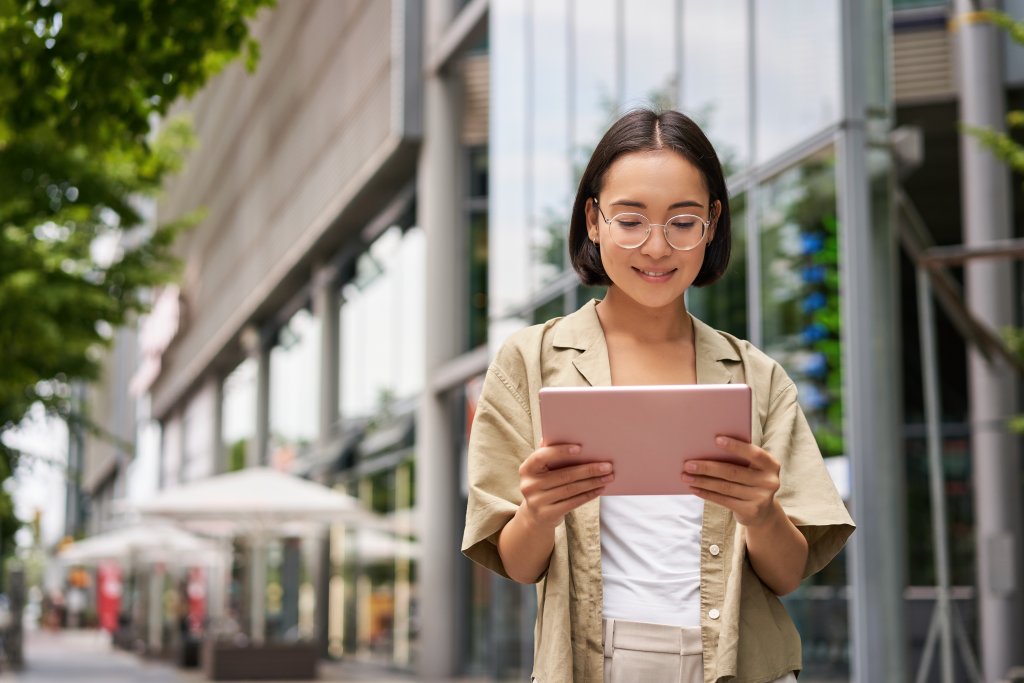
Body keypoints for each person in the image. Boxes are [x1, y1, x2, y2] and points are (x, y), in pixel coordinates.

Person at [461, 108, 855, 683]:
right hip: (600, 663)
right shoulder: (530, 362)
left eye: (682, 221)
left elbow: (788, 573)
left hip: (745, 664)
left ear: (713, 223)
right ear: (593, 221)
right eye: (630, 220)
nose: (656, 247)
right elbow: (520, 567)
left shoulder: (756, 375)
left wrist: (762, 511)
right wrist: (540, 511)